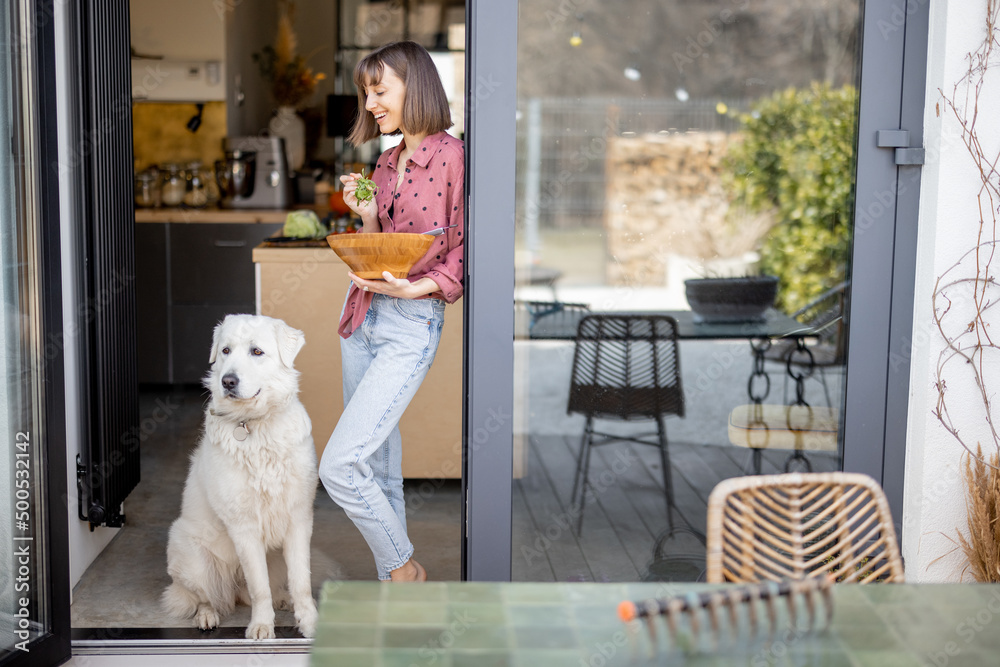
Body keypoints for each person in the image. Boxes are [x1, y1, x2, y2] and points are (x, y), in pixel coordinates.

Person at [318, 41, 464, 583]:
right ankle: (395, 591)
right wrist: (367, 214)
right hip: (362, 318)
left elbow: (464, 251)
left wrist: (420, 287)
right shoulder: (385, 161)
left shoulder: (453, 157)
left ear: (415, 87)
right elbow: (379, 250)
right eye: (367, 93)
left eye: (380, 90)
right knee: (378, 465)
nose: (371, 102)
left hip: (410, 323)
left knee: (338, 465)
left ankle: (403, 570)